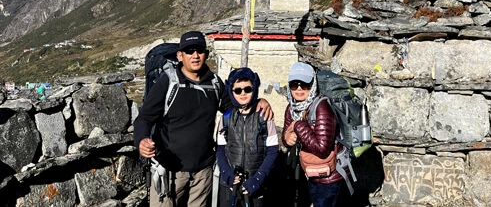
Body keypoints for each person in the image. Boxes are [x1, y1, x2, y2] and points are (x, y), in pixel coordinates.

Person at [134, 31, 273, 207]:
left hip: (203, 172)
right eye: (189, 51)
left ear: (206, 54)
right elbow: (144, 118)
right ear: (180, 55)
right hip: (170, 171)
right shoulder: (168, 82)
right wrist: (142, 140)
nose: (195, 55)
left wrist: (259, 101)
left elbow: (235, 107)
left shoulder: (214, 83)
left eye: (199, 50)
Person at [282, 62, 345, 207]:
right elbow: (287, 138)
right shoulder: (292, 108)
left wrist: (298, 126)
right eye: (294, 84)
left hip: (329, 177)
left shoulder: (322, 107)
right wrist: (286, 139)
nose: (299, 89)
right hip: (310, 174)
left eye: (304, 84)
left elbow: (322, 149)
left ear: (313, 85)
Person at [216, 67, 278, 207]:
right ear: (231, 92)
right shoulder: (226, 118)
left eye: (247, 89)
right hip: (231, 185)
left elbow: (272, 151)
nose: (242, 93)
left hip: (256, 184)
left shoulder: (264, 117)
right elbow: (220, 150)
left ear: (254, 89)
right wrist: (227, 174)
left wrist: (258, 178)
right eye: (237, 90)